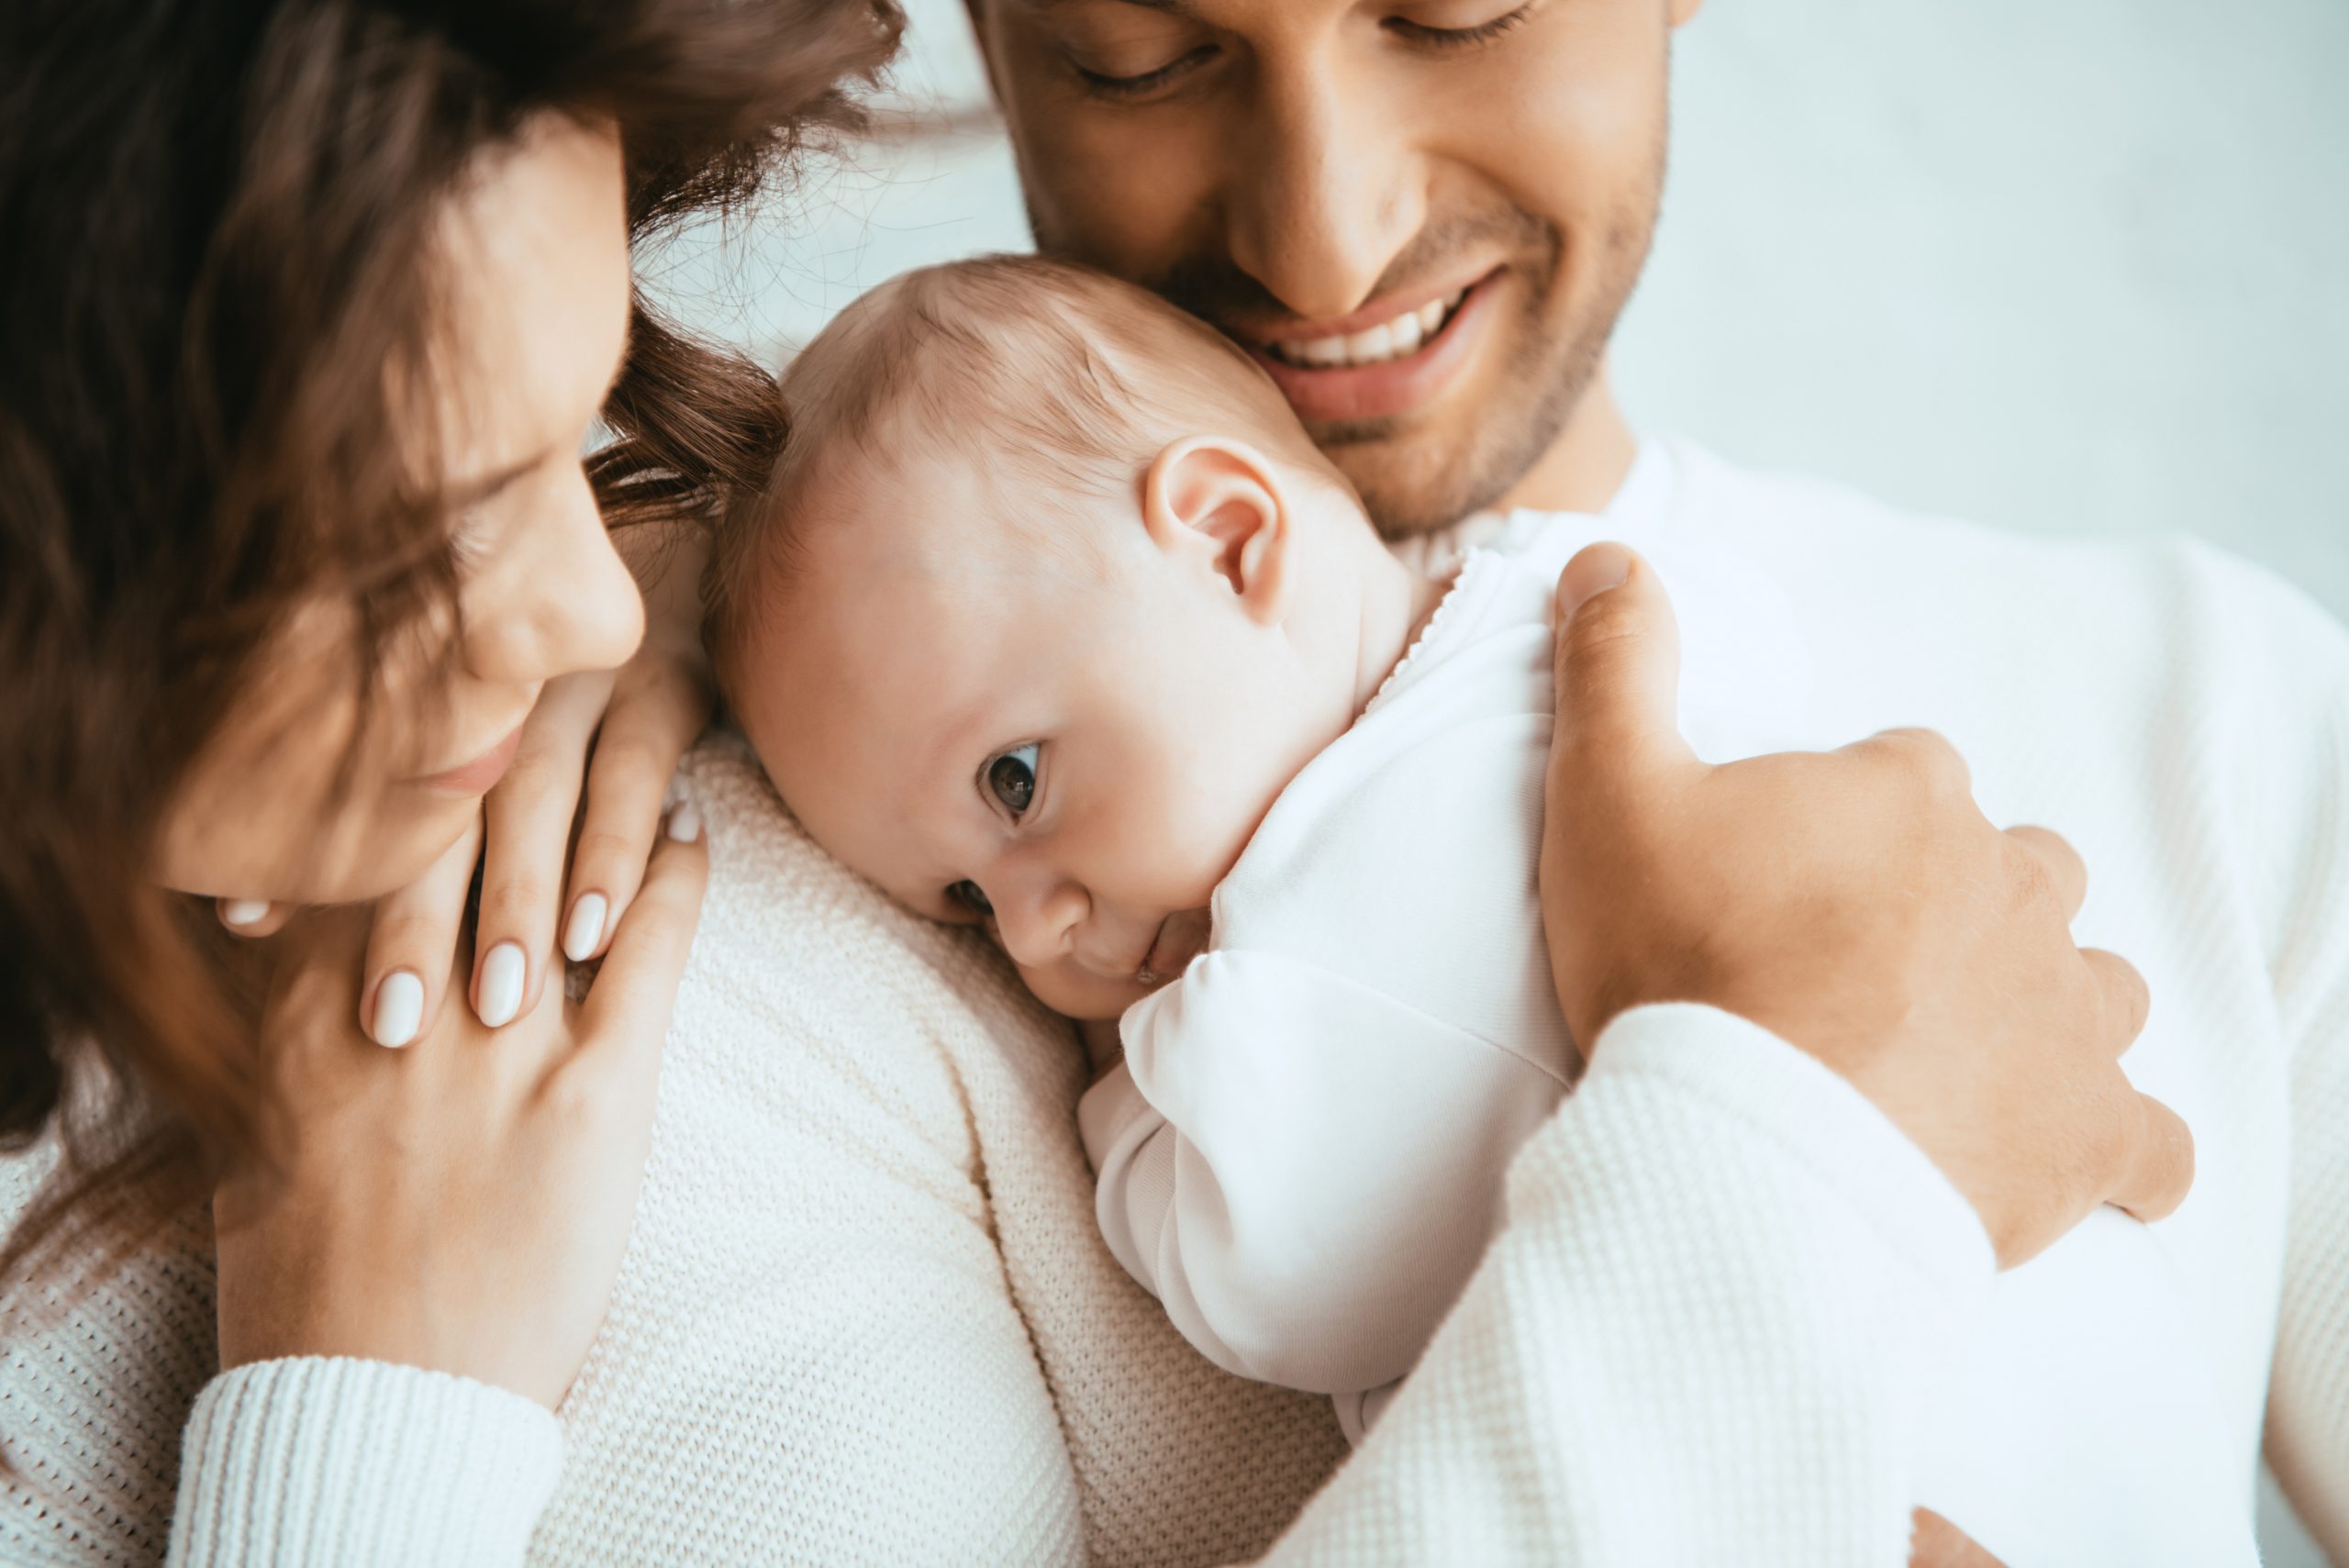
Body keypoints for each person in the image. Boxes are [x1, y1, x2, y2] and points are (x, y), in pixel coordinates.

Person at [0, 6, 2261, 1568]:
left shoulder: (2206, 704)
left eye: (1453, 8)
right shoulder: (672, 856)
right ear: (986, 39)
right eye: (1137, 54)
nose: (1325, 235)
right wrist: (1790, 1159)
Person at [712, 252, 2234, 1562]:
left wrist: (1123, 1105)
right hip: (2114, 1387)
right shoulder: (1581, 594)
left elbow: (1276, 1287)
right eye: (963, 902)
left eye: (1018, 782)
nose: (1033, 931)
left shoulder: (1283, 969)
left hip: (1884, 1461)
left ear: (1233, 541)